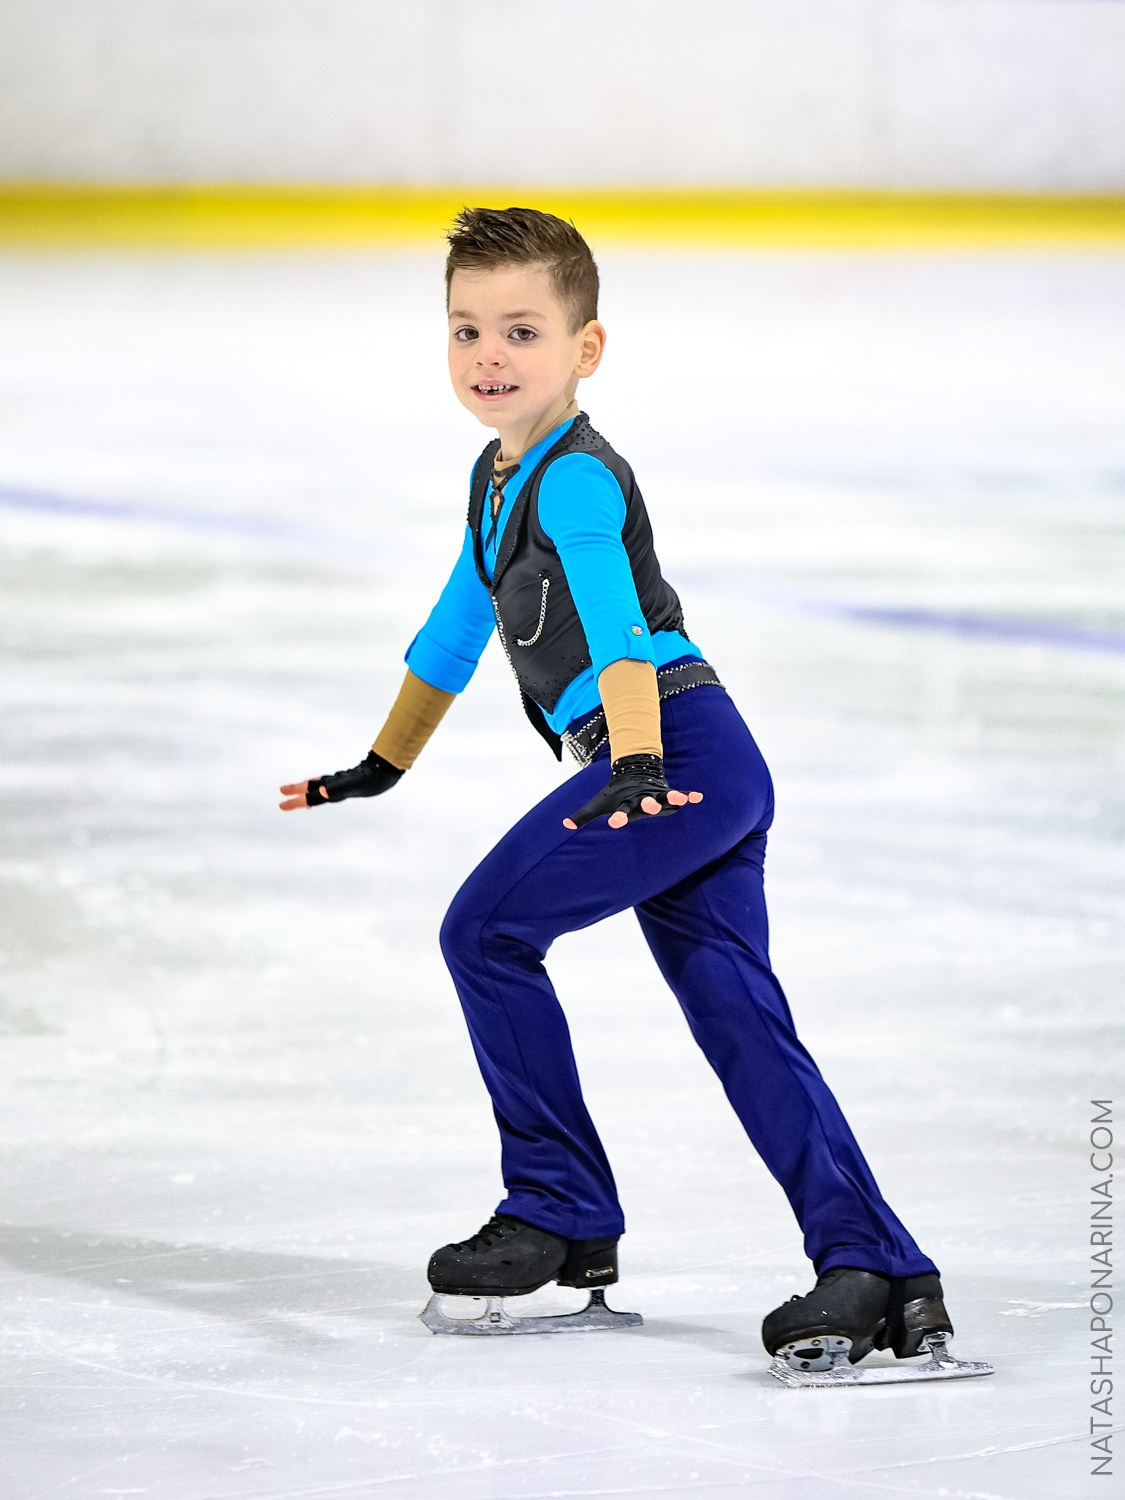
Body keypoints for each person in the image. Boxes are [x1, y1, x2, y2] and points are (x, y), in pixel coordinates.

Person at [279, 206, 975, 1380]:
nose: (488, 356)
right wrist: (380, 765)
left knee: (485, 932)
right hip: (691, 759)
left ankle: (556, 1208)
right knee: (738, 1015)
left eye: (521, 331)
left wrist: (640, 769)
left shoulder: (578, 484)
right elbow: (454, 633)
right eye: (464, 331)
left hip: (673, 751)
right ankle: (875, 1268)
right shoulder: (496, 481)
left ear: (584, 349)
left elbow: (616, 631)